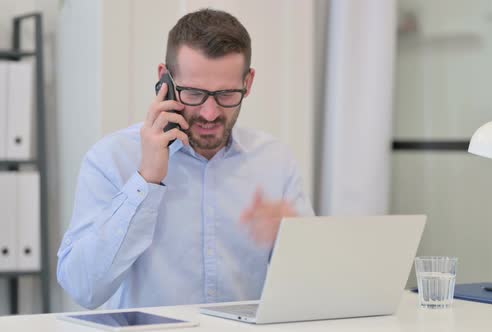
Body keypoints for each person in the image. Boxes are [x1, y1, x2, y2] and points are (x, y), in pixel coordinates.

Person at [57, 8, 313, 310]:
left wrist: (295, 245)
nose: (209, 113)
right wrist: (145, 181)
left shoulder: (274, 161)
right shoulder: (111, 159)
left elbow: (311, 289)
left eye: (227, 94)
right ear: (164, 79)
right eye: (193, 93)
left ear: (249, 82)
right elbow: (82, 288)